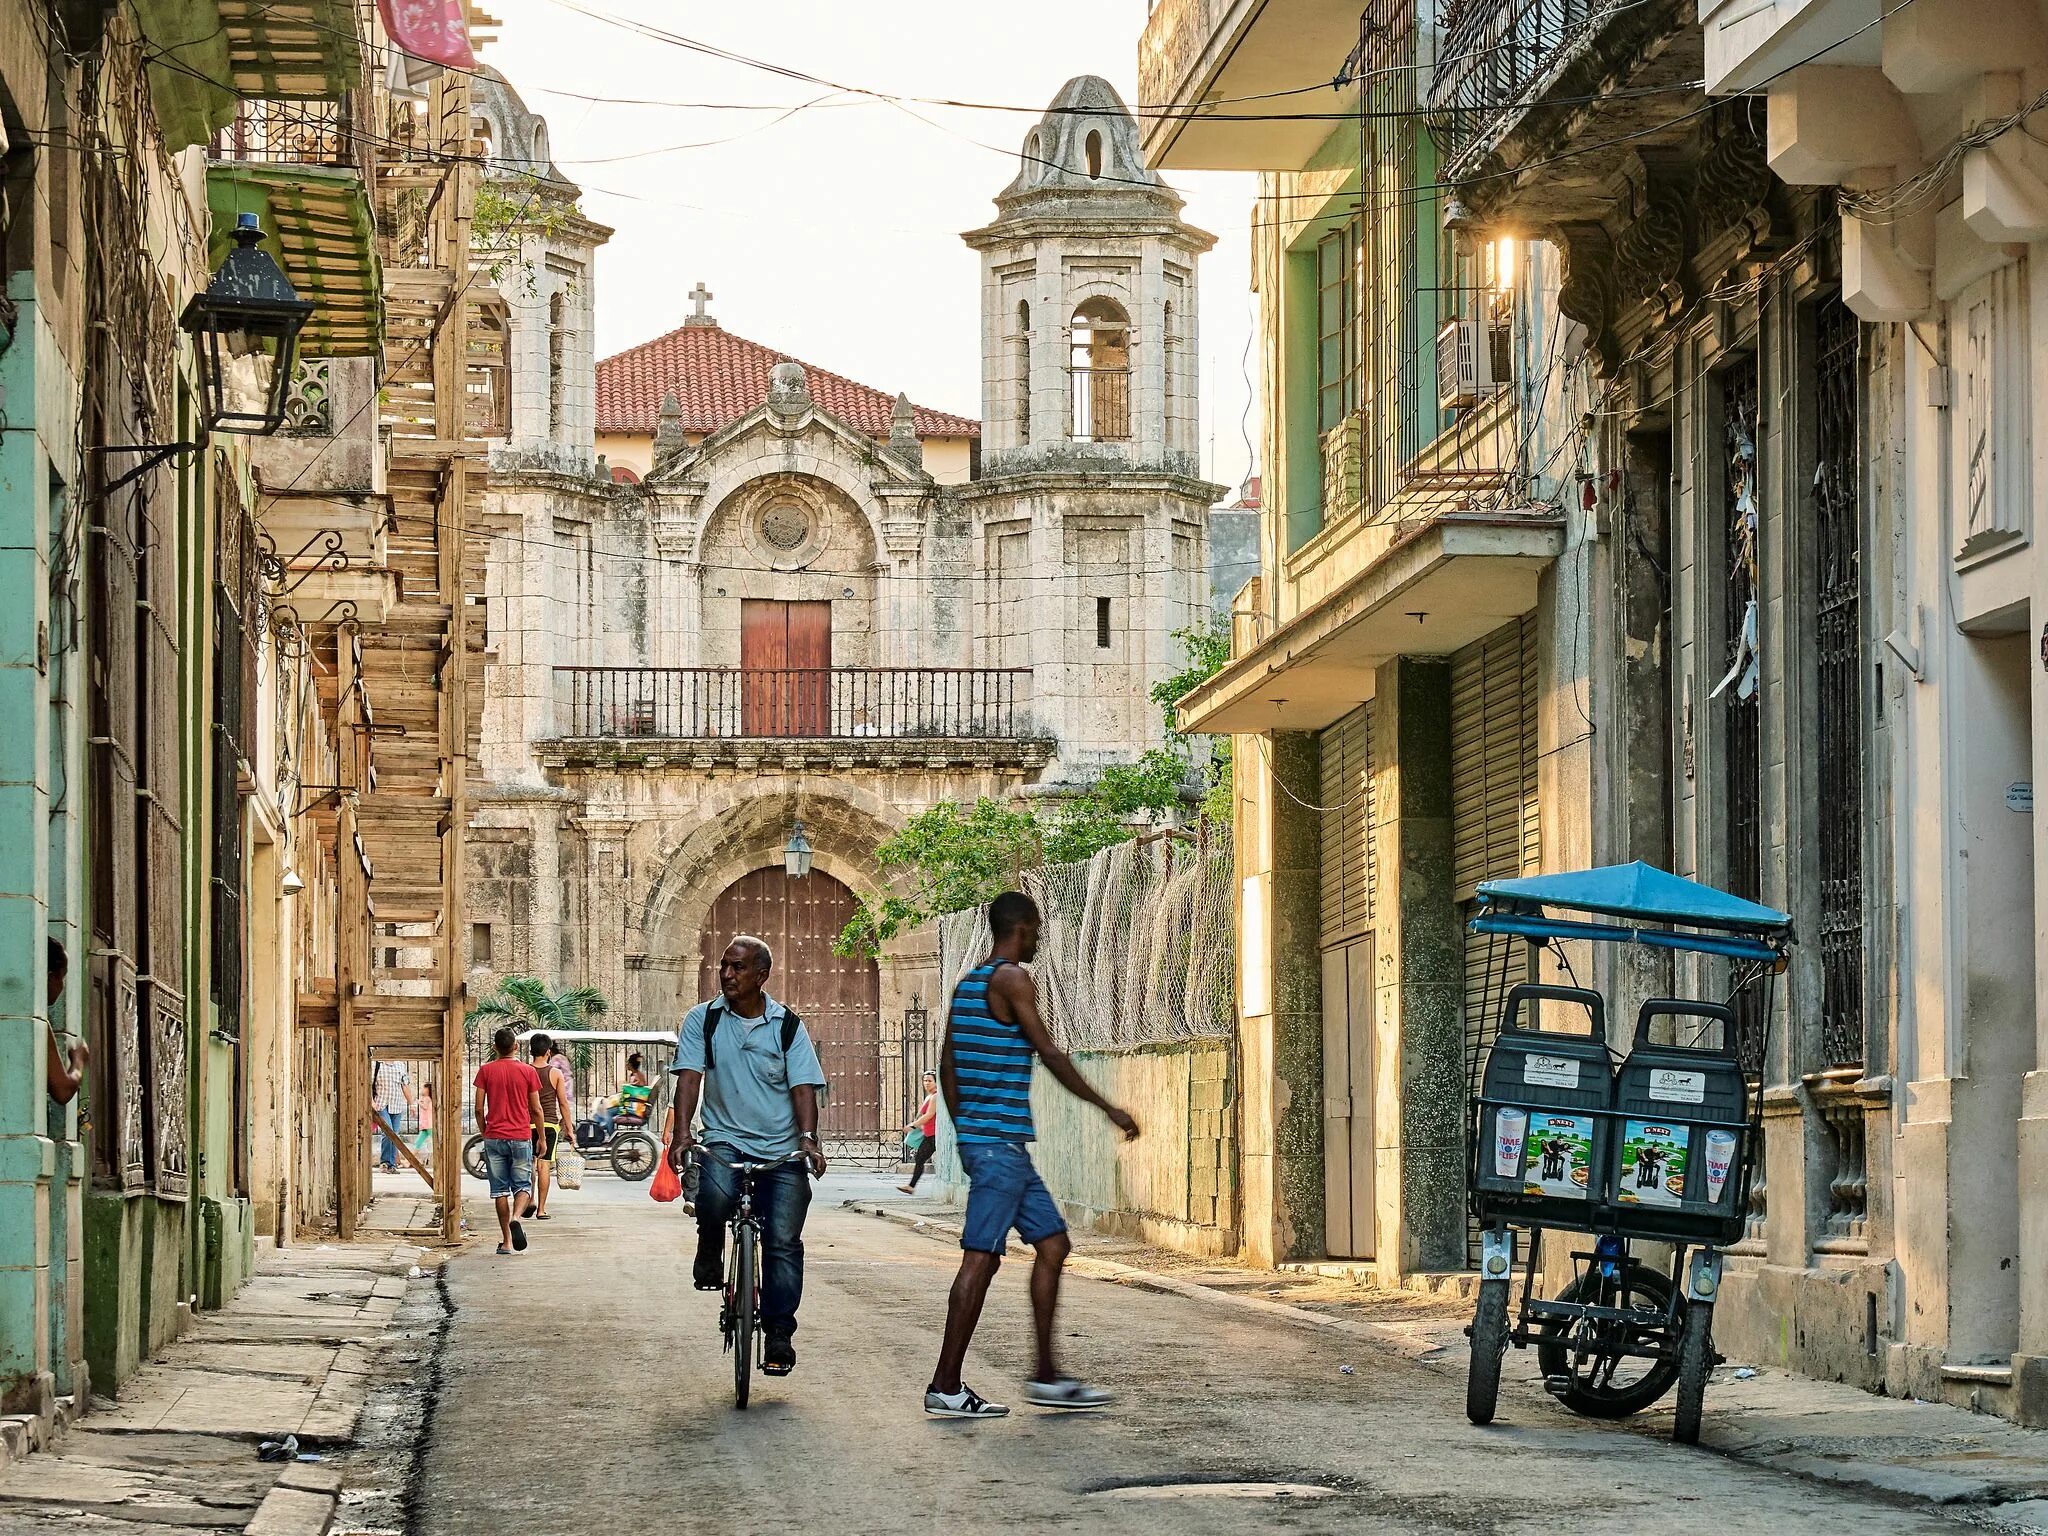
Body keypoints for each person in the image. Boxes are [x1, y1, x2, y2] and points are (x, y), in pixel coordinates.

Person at [924, 891, 1139, 1419]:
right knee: (982, 1256)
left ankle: (1046, 1375)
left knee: (1053, 1244)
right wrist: (1107, 1106)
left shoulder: (969, 984)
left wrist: (966, 1127)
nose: (1040, 936)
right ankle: (945, 1385)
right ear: (1019, 928)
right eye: (1037, 927)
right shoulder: (1013, 979)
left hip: (995, 1145)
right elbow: (1048, 1051)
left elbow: (947, 1065)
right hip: (999, 1147)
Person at [666, 935, 827, 1378]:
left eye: (738, 968)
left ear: (762, 975)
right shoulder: (704, 1020)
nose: (727, 975)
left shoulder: (788, 1026)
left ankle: (778, 1333)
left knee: (783, 1243)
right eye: (724, 966)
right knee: (714, 1197)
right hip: (725, 1138)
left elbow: (803, 1087)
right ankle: (709, 1243)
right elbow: (689, 1079)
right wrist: (682, 1135)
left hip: (781, 1148)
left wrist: (808, 1139)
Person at [473, 1026, 544, 1255]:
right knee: (523, 1186)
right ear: (515, 1046)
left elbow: (477, 1108)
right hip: (521, 1136)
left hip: (494, 1137)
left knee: (499, 1191)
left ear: (494, 1047)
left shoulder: (485, 1071)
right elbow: (536, 1109)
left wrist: (486, 1132)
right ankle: (516, 1217)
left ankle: (505, 1242)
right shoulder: (528, 1071)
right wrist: (541, 1137)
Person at [528, 1034, 573, 1218]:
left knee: (530, 1165)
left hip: (527, 1124)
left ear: (531, 1051)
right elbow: (563, 1103)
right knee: (544, 1166)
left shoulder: (525, 1070)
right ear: (548, 1052)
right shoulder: (555, 1073)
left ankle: (529, 1200)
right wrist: (569, 1128)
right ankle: (541, 1209)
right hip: (549, 1124)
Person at [44, 939, 87, 1106]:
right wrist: (79, 1059)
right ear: (51, 977)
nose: (61, 986)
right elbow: (63, 1090)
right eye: (62, 977)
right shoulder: (38, 1025)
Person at [590, 1053, 652, 1138]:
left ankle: (612, 1136)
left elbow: (635, 1093)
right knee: (605, 1111)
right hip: (631, 1104)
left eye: (627, 1063)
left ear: (630, 1064)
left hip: (632, 1107)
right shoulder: (637, 1075)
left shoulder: (637, 1077)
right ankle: (606, 1127)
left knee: (608, 1112)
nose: (626, 1065)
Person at [899, 1071, 939, 1195]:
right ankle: (911, 1186)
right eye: (925, 1080)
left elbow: (929, 1115)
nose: (926, 1083)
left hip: (934, 1135)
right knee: (920, 1158)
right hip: (928, 1133)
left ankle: (911, 1186)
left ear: (936, 1082)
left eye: (929, 1080)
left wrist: (913, 1125)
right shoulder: (929, 1096)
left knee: (920, 1157)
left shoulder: (935, 1096)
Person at [372, 1058, 414, 1172]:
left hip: (396, 1105)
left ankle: (391, 1164)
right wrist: (371, 1102)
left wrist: (411, 1104)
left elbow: (404, 1086)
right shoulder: (376, 1064)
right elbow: (368, 1084)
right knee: (388, 1131)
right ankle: (385, 1162)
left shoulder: (401, 1065)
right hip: (381, 1104)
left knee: (394, 1134)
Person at [413, 1083, 436, 1158]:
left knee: (435, 1141)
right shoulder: (426, 1098)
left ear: (428, 1090)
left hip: (428, 1124)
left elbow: (425, 1107)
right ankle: (409, 1160)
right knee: (418, 1142)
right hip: (426, 1125)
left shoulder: (427, 1098)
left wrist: (418, 1102)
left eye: (424, 1088)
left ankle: (409, 1160)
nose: (422, 1090)